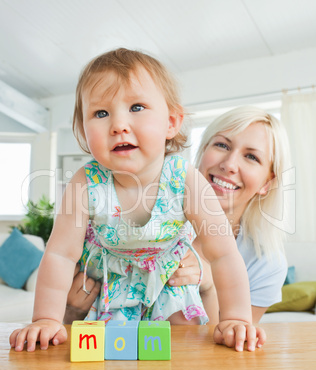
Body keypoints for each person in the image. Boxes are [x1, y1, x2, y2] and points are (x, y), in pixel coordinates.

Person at [10, 49, 265, 353]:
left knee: (184, 338)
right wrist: (45, 318)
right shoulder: (84, 182)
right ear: (82, 130)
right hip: (106, 283)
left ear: (171, 122)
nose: (118, 124)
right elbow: (61, 255)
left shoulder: (185, 178)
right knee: (99, 354)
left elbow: (223, 253)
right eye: (101, 113)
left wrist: (235, 317)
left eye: (137, 107)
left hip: (167, 280)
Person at [65, 106, 290, 325]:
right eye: (222, 145)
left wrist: (209, 287)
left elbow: (228, 354)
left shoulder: (266, 263)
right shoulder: (119, 218)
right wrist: (71, 311)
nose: (229, 165)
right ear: (203, 151)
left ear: (267, 183)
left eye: (251, 157)